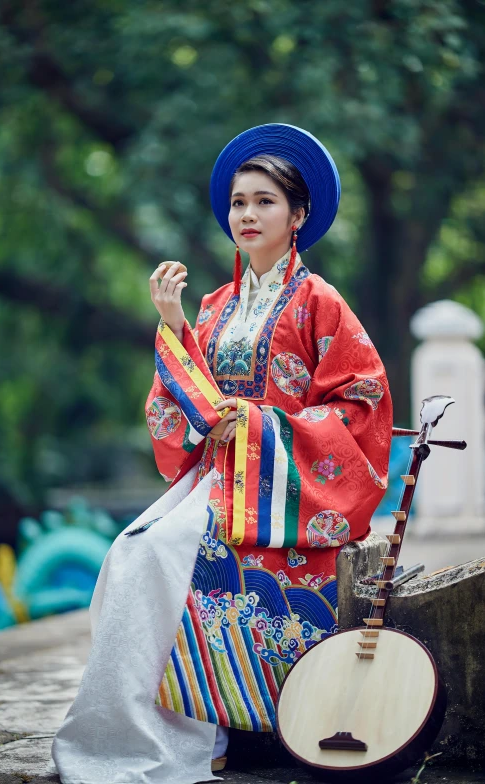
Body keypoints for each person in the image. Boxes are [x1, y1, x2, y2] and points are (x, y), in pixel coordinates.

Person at [50, 123, 393, 784]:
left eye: (265, 201)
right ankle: (150, 731)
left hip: (276, 494)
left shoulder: (320, 301)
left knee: (157, 555)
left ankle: (188, 732)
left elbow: (363, 403)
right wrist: (175, 324)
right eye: (239, 202)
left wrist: (265, 427)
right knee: (128, 553)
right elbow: (186, 406)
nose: (248, 214)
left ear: (299, 216)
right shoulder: (212, 306)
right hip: (215, 481)